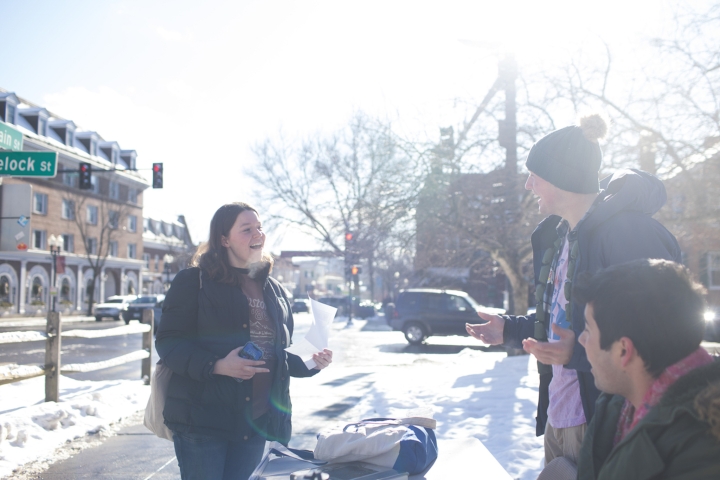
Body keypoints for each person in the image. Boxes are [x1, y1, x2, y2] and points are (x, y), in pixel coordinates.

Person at [466, 114, 681, 466]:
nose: (528, 185)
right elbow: (565, 322)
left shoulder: (628, 233)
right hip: (561, 416)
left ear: (560, 178)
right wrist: (510, 328)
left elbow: (656, 333)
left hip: (608, 424)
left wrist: (578, 354)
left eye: (535, 175)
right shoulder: (562, 237)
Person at [156, 202, 333, 480]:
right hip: (204, 421)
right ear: (224, 239)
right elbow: (169, 343)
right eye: (247, 229)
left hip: (255, 423)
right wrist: (218, 365)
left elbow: (279, 357)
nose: (258, 234)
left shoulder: (274, 289)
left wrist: (313, 361)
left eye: (260, 228)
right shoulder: (194, 281)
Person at [571, 259, 720, 479]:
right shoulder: (618, 404)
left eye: (587, 329)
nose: (582, 340)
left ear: (624, 351)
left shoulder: (702, 447)